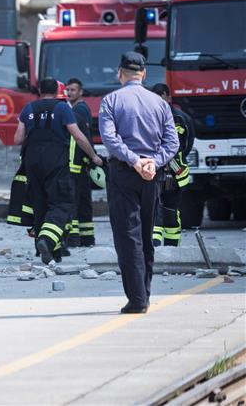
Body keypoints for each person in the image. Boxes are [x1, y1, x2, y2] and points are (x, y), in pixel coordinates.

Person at [99, 52, 178, 313]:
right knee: (145, 234)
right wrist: (153, 162)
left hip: (124, 173)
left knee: (127, 236)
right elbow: (172, 143)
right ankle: (144, 292)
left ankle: (137, 299)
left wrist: (134, 161)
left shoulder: (111, 101)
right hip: (152, 176)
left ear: (120, 73)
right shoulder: (160, 103)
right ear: (143, 74)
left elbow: (110, 139)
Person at [14, 78, 102, 266]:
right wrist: (93, 156)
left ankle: (49, 251)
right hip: (55, 163)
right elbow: (78, 136)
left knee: (40, 204)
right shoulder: (62, 109)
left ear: (39, 90)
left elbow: (18, 139)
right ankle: (47, 239)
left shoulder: (28, 108)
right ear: (57, 91)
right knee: (62, 204)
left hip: (32, 163)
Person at [151, 83, 195, 247]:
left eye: (161, 97)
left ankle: (172, 246)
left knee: (170, 209)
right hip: (155, 171)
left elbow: (181, 147)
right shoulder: (152, 116)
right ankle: (156, 243)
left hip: (174, 173)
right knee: (155, 205)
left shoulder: (179, 119)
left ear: (168, 97)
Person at [65, 78, 95, 247]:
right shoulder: (78, 109)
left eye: (73, 90)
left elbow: (83, 138)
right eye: (67, 90)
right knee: (83, 202)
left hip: (76, 166)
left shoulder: (79, 111)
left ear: (81, 92)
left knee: (74, 202)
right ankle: (87, 238)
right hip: (81, 165)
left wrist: (90, 157)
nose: (69, 93)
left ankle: (73, 239)